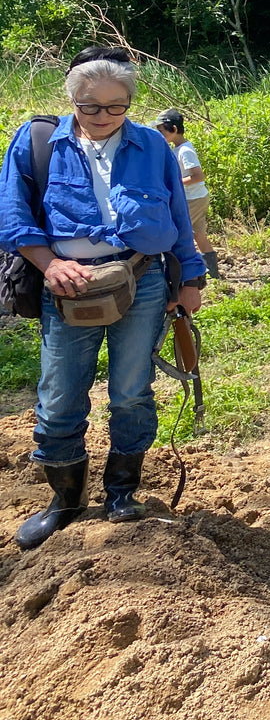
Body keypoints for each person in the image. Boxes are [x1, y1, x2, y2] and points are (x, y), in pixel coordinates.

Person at [0, 46, 205, 549]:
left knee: (132, 391)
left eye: (116, 107)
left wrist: (191, 279)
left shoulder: (154, 147)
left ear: (130, 103)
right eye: (91, 106)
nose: (103, 117)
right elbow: (12, 216)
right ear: (73, 100)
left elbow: (179, 217)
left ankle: (121, 492)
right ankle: (65, 500)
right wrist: (51, 265)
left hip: (145, 280)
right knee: (59, 396)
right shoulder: (38, 141)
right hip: (67, 287)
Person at [153, 109, 219, 279]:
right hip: (196, 197)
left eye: (162, 131)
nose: (160, 135)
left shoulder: (184, 151)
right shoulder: (178, 149)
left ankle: (187, 272)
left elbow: (197, 176)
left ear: (174, 129)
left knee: (179, 233)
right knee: (199, 234)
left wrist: (174, 184)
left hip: (192, 198)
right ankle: (212, 272)